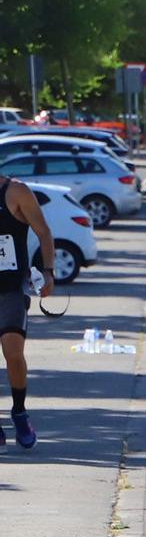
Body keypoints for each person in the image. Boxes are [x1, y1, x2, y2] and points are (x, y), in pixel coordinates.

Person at [0, 173, 56, 448]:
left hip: (11, 287)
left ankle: (19, 411)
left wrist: (48, 271)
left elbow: (43, 231)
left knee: (13, 353)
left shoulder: (16, 191)